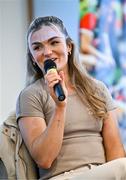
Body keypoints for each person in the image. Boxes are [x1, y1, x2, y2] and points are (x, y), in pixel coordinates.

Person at [16, 16, 126, 180]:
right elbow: (44, 159)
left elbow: (115, 152)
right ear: (33, 57)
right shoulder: (30, 96)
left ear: (68, 46)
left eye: (54, 42)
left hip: (105, 173)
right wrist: (60, 107)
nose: (47, 52)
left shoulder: (97, 89)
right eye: (37, 47)